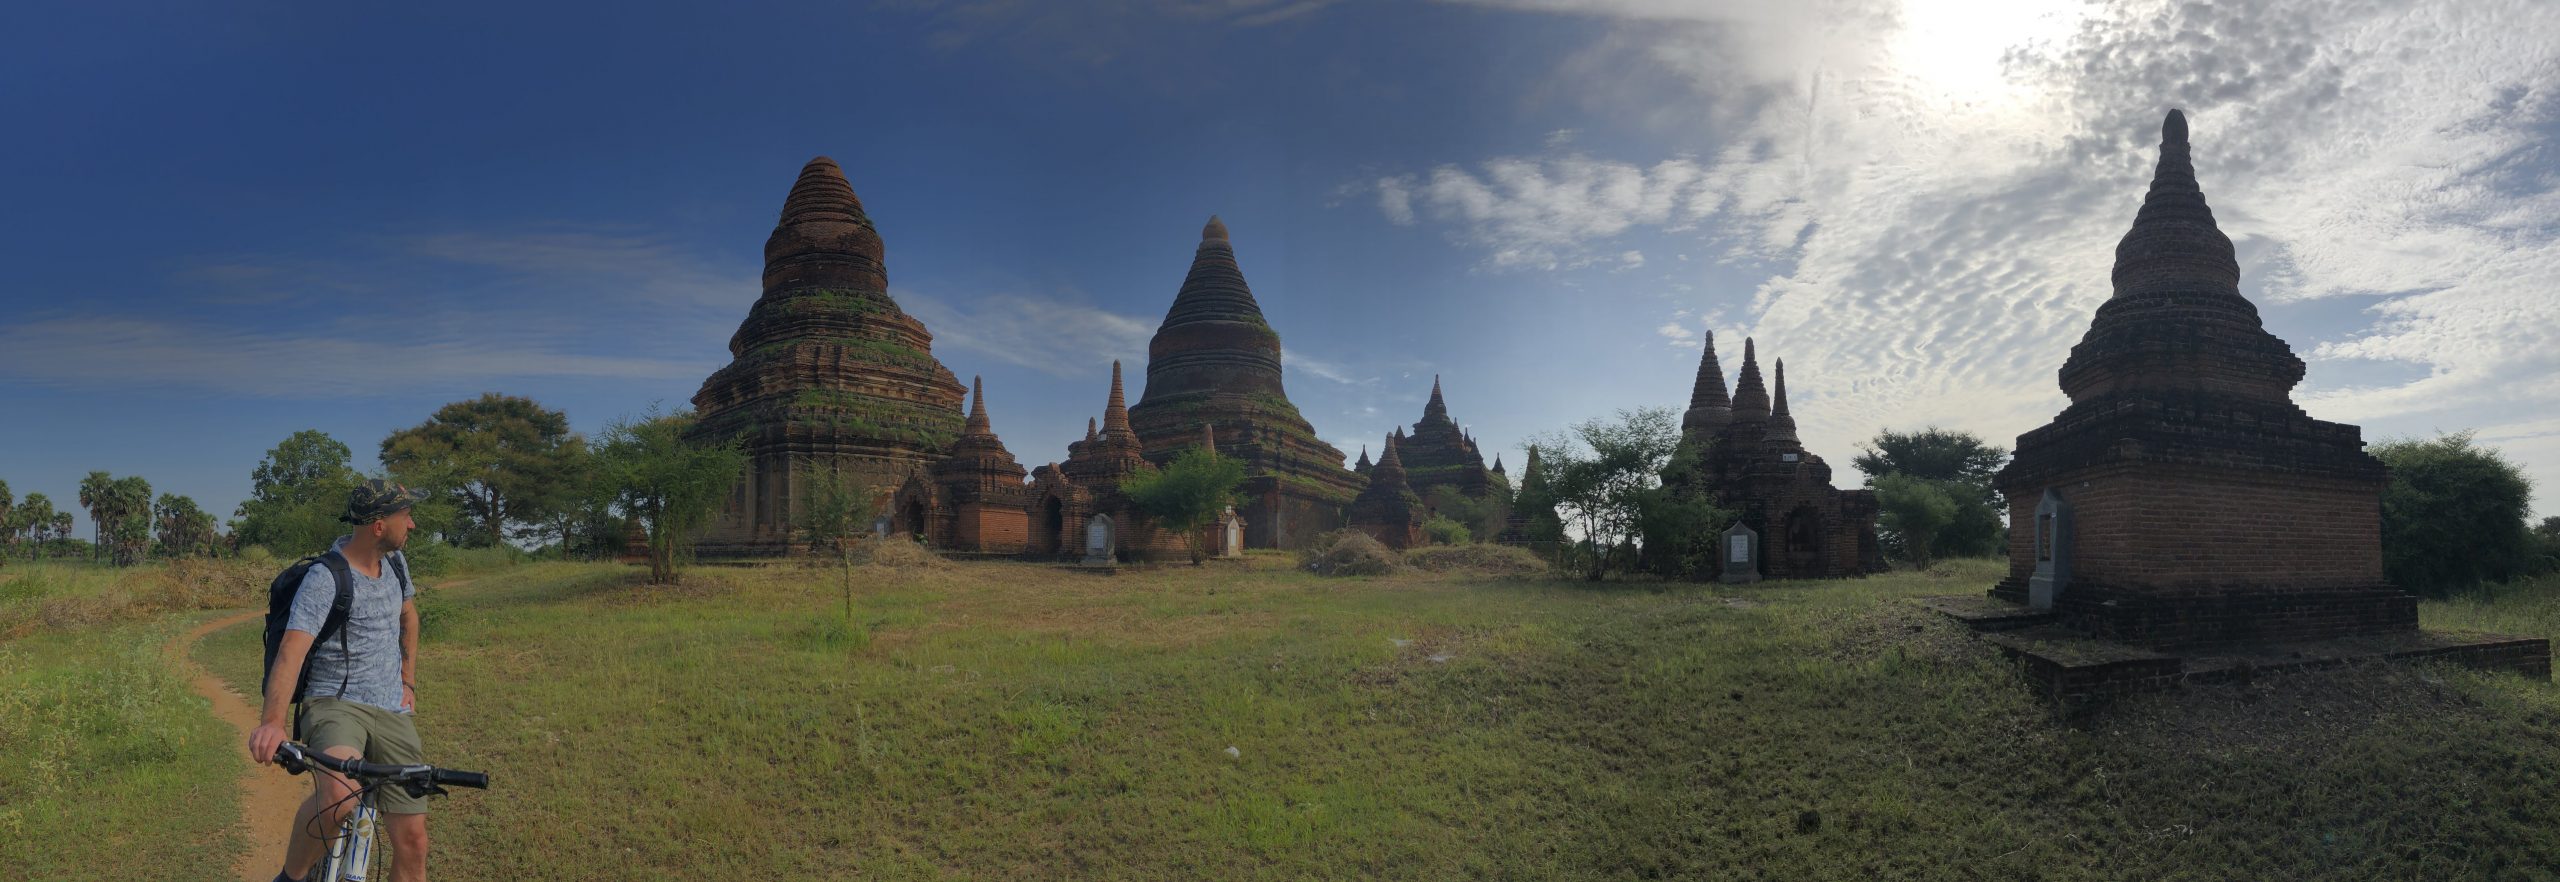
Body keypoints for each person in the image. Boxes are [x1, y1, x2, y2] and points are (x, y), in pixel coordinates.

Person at [247, 479, 431, 882]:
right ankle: (291, 877)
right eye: (406, 516)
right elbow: (291, 652)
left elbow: (409, 617)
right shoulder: (326, 577)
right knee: (339, 796)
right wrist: (273, 723)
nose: (412, 525)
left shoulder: (396, 563)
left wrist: (408, 682)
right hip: (335, 703)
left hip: (392, 709)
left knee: (414, 840)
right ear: (378, 525)